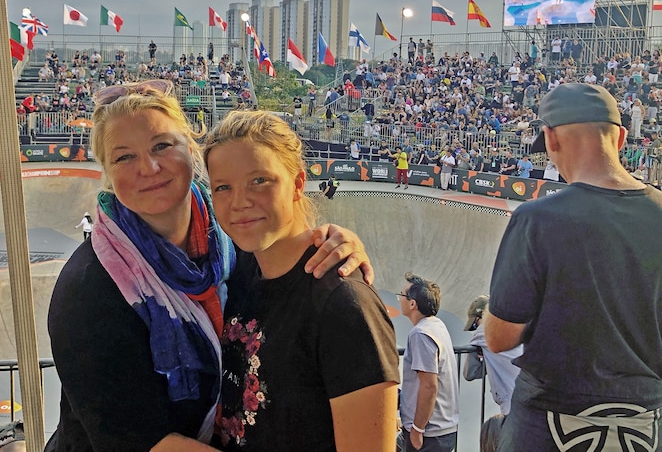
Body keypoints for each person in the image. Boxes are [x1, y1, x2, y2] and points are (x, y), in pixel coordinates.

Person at [46, 80, 372, 452]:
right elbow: (140, 441)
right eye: (124, 157)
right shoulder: (89, 289)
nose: (149, 167)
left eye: (162, 146)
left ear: (190, 148)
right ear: (106, 171)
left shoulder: (237, 242)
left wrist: (337, 243)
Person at [203, 111, 400, 451]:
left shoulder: (343, 305)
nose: (239, 202)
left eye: (259, 181)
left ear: (296, 184)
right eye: (223, 187)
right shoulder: (237, 272)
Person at [485, 83, 662, 451]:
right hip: (646, 425)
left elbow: (499, 337)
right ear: (622, 137)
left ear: (551, 139)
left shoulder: (536, 219)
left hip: (549, 425)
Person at [397, 273, 459, 452]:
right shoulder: (436, 326)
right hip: (442, 430)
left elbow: (429, 386)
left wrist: (417, 430)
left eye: (401, 295)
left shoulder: (421, 334)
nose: (399, 299)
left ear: (412, 303)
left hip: (429, 435)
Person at [463, 295, 522, 452]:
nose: (474, 330)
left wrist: (484, 355)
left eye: (474, 326)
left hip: (511, 401)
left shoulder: (485, 329)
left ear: (480, 316)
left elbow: (469, 373)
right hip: (529, 395)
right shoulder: (516, 323)